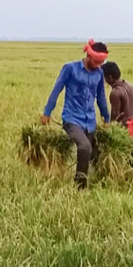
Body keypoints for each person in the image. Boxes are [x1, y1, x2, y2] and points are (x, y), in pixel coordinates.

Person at [41, 40, 110, 190]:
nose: (98, 66)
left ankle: (98, 180)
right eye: (96, 62)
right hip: (71, 118)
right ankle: (80, 187)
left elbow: (101, 97)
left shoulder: (99, 73)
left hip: (89, 120)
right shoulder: (70, 69)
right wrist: (47, 112)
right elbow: (56, 89)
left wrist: (106, 117)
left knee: (93, 151)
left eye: (101, 63)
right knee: (85, 147)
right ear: (88, 55)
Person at [102, 61, 133, 168]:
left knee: (120, 156)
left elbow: (115, 114)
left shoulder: (115, 93)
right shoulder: (129, 85)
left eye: (104, 77)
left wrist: (110, 129)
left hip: (123, 128)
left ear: (109, 77)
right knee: (132, 155)